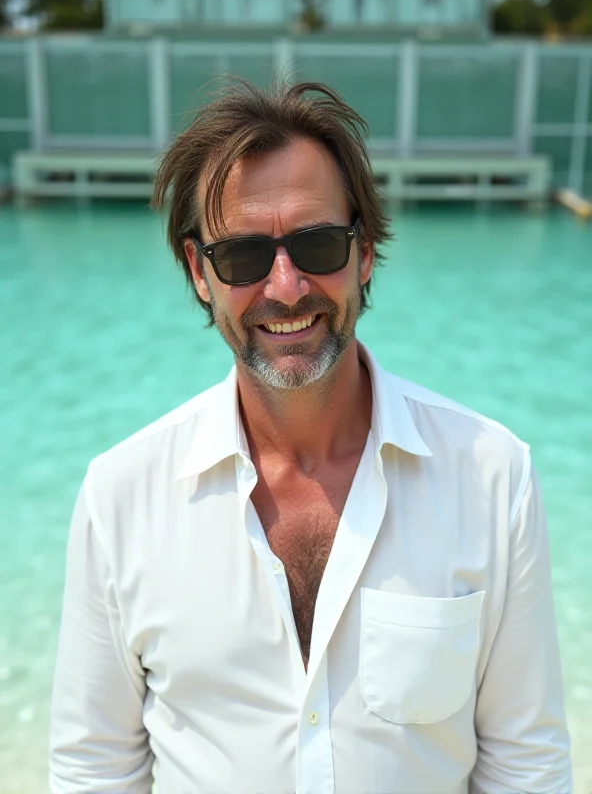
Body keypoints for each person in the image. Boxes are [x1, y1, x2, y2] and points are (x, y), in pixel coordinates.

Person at [49, 79, 572, 793]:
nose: (287, 286)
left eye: (317, 243)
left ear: (362, 254)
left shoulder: (493, 475)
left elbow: (525, 765)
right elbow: (95, 768)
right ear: (200, 273)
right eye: (242, 257)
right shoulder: (120, 495)